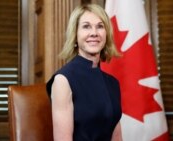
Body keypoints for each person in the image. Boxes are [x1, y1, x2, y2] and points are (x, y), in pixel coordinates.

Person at [46, 3, 122, 141]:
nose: (94, 32)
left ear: (106, 34)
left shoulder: (113, 83)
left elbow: (116, 137)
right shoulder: (63, 80)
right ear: (75, 35)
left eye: (100, 26)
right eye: (86, 26)